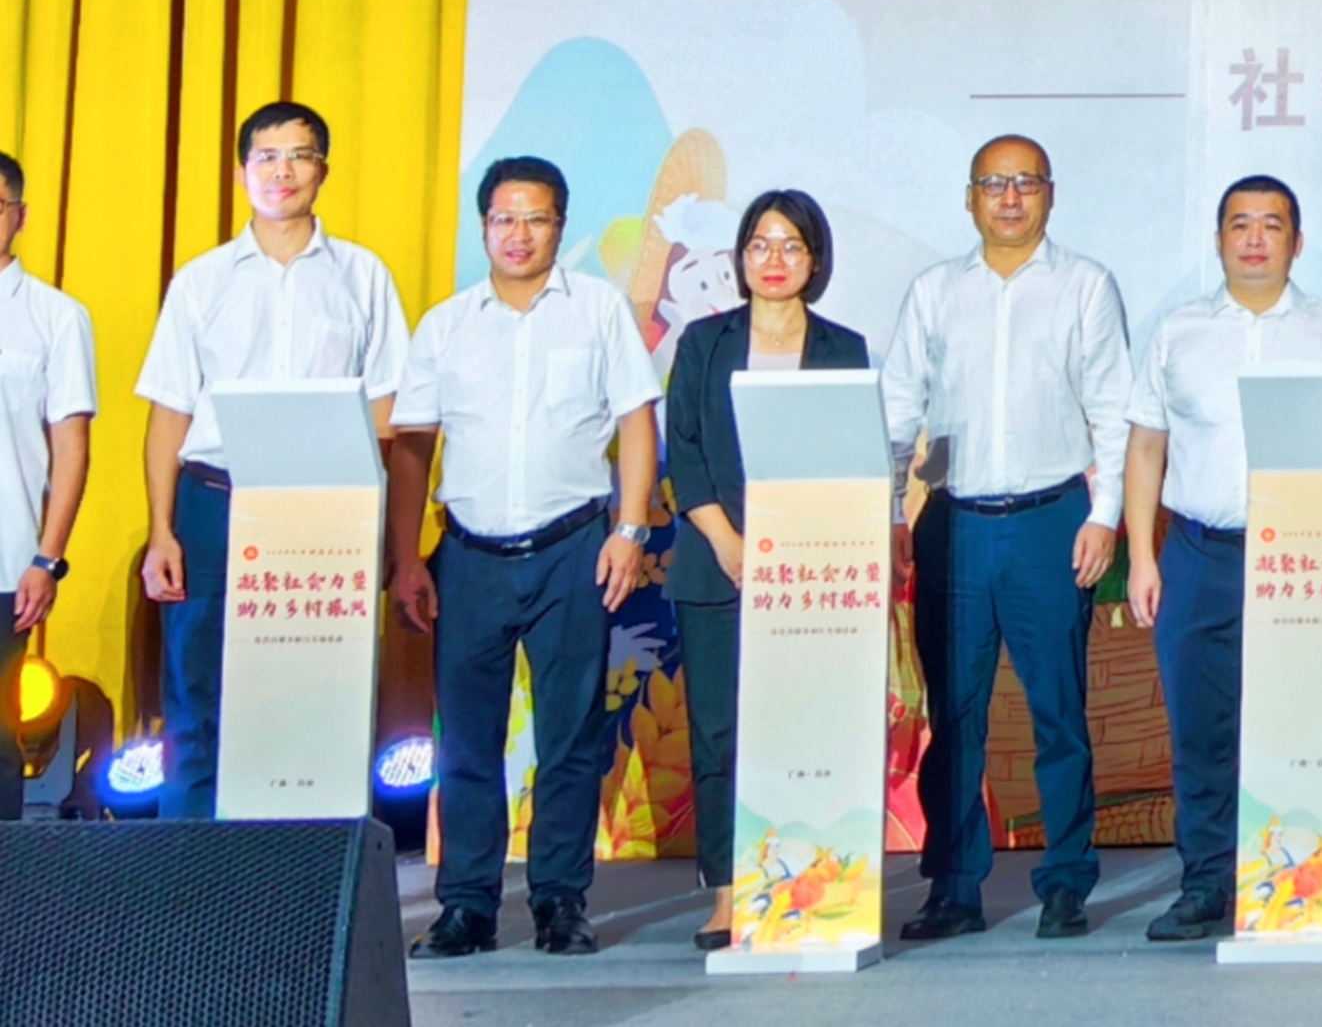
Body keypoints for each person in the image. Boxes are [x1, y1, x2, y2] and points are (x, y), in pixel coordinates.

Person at [389, 159, 661, 957]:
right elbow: (413, 448)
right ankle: (467, 905)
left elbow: (636, 422)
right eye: (504, 219)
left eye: (535, 219)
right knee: (467, 742)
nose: (519, 234)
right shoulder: (446, 324)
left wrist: (631, 529)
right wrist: (407, 559)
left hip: (573, 548)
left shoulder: (598, 310)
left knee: (570, 738)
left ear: (559, 226)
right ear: (484, 228)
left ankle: (559, 900)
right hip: (468, 555)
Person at [885, 135, 1130, 942]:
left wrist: (1104, 515)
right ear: (970, 199)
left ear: (1050, 194)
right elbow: (897, 412)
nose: (1011, 198)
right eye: (994, 183)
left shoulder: (1085, 285)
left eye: (1026, 182)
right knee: (954, 716)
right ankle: (954, 888)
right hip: (953, 525)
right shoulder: (934, 292)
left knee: (1059, 711)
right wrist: (890, 515)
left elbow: (1113, 409)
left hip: (1051, 521)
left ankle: (1065, 883)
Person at [134, 101, 409, 820]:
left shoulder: (363, 276)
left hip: (327, 509)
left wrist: (380, 523)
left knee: (317, 691)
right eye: (266, 157)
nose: (282, 171)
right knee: (197, 691)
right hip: (213, 501)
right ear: (241, 171)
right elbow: (169, 412)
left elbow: (386, 412)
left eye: (299, 156)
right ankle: (191, 863)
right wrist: (162, 530)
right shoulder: (202, 280)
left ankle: (309, 867)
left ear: (323, 169)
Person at [1123, 176, 1322, 946]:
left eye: (1272, 225)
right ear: (1219, 240)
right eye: (1240, 225)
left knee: (1304, 725)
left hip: (1304, 558)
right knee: (1203, 730)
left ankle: (1303, 881)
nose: (1255, 239)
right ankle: (1205, 885)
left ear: (1298, 241)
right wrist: (1142, 558)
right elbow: (1146, 448)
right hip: (1201, 554)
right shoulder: (1178, 331)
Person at [662, 191, 873, 950]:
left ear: (815, 260)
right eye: (760, 244)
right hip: (717, 565)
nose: (774, 260)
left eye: (791, 246)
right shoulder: (703, 342)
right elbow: (685, 450)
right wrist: (728, 542)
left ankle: (810, 883)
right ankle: (728, 894)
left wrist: (800, 550)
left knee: (806, 728)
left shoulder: (843, 349)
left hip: (812, 572)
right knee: (720, 733)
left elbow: (850, 457)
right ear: (740, 256)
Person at [0, 152, 95, 826]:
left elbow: (71, 448)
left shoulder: (56, 317)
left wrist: (47, 558)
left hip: (7, 559)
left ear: (20, 215)